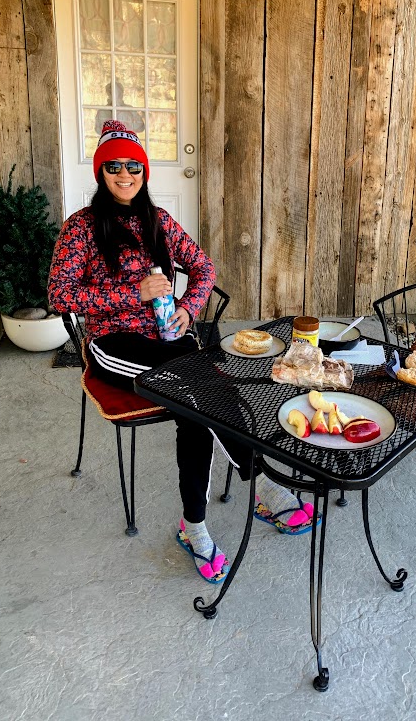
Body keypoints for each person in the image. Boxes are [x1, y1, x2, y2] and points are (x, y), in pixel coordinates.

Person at [49, 120, 317, 584]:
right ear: (101, 171)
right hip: (115, 344)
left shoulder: (158, 220)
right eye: (113, 166)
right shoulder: (83, 228)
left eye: (133, 165)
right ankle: (266, 487)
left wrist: (190, 310)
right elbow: (60, 295)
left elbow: (203, 267)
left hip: (172, 338)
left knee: (201, 402)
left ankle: (195, 526)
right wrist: (133, 294)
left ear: (144, 171)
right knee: (203, 389)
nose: (125, 174)